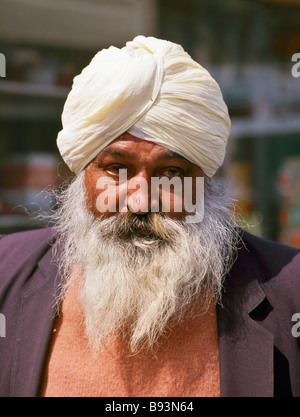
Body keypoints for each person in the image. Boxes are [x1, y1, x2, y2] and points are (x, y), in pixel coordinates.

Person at [0, 36, 300, 398]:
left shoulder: (291, 290)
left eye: (172, 173)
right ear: (81, 177)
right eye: (115, 168)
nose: (141, 201)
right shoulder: (6, 272)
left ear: (207, 184)